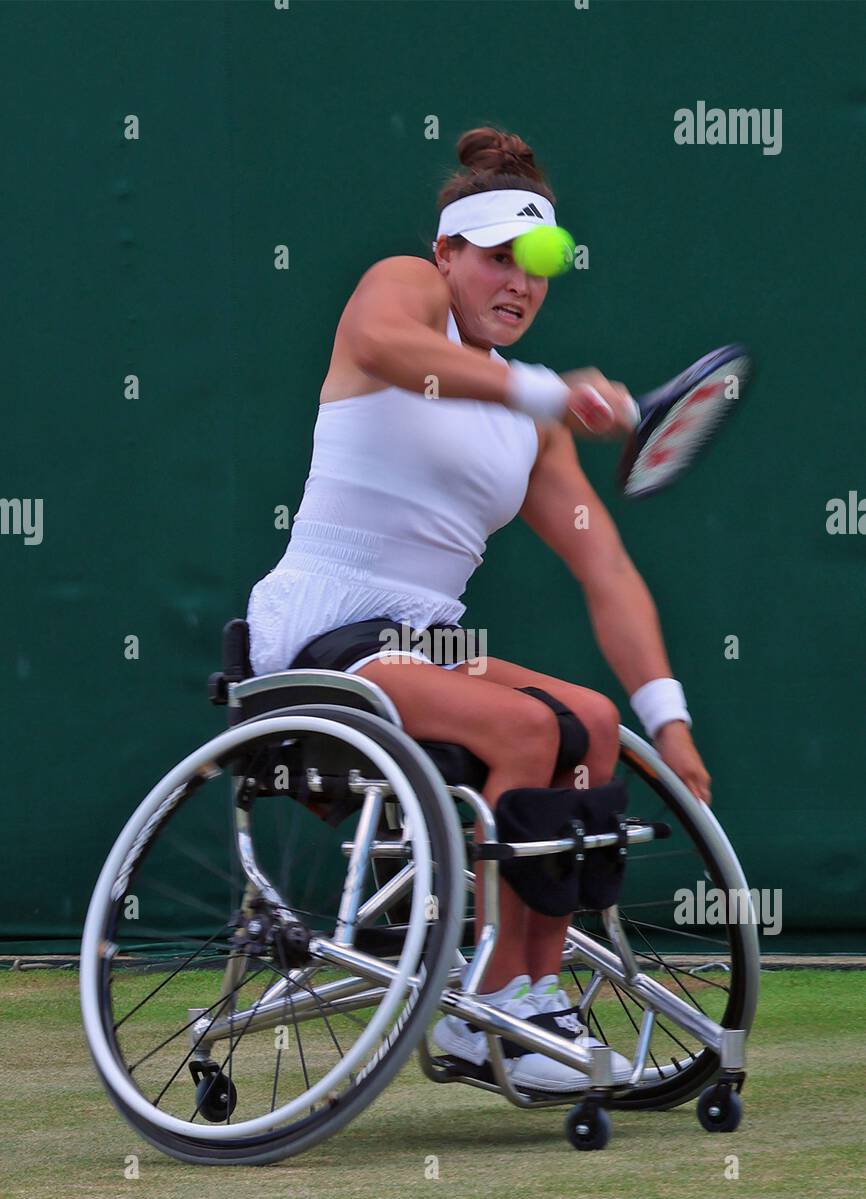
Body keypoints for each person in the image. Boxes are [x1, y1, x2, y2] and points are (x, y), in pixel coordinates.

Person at [246, 126, 711, 1091]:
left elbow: (608, 571)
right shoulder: (403, 289)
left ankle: (525, 996)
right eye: (498, 258)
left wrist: (669, 720)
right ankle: (484, 1012)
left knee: (590, 721)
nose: (520, 284)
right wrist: (546, 387)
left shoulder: (534, 429)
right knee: (520, 729)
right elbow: (386, 348)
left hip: (426, 647)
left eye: (538, 266)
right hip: (323, 629)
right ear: (448, 254)